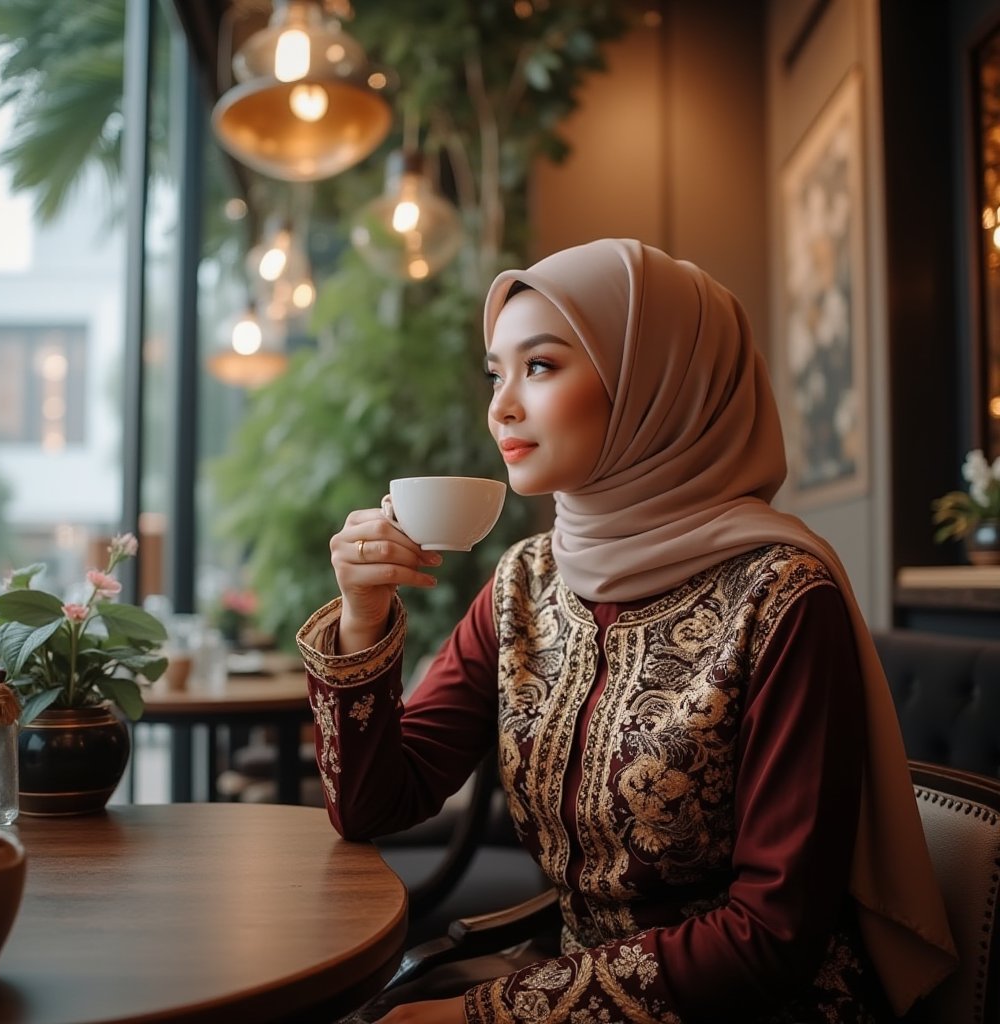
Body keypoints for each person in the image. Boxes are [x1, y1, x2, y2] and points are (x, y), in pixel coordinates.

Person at [297, 239, 957, 1024]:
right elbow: (373, 806)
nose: (501, 405)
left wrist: (481, 1016)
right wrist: (363, 619)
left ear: (656, 383)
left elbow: (771, 938)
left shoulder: (780, 599)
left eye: (539, 366)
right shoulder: (525, 584)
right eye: (495, 373)